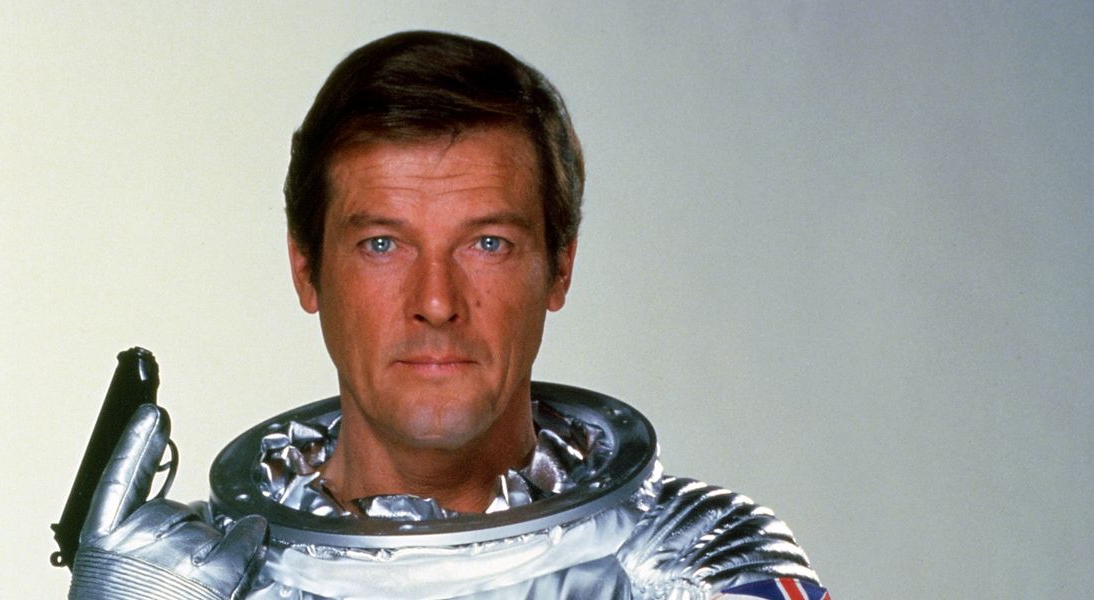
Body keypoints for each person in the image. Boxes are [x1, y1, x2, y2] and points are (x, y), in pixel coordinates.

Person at [67, 31, 831, 600]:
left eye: (488, 243)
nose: (436, 302)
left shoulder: (694, 559)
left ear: (559, 266)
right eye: (382, 244)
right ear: (307, 270)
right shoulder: (184, 581)